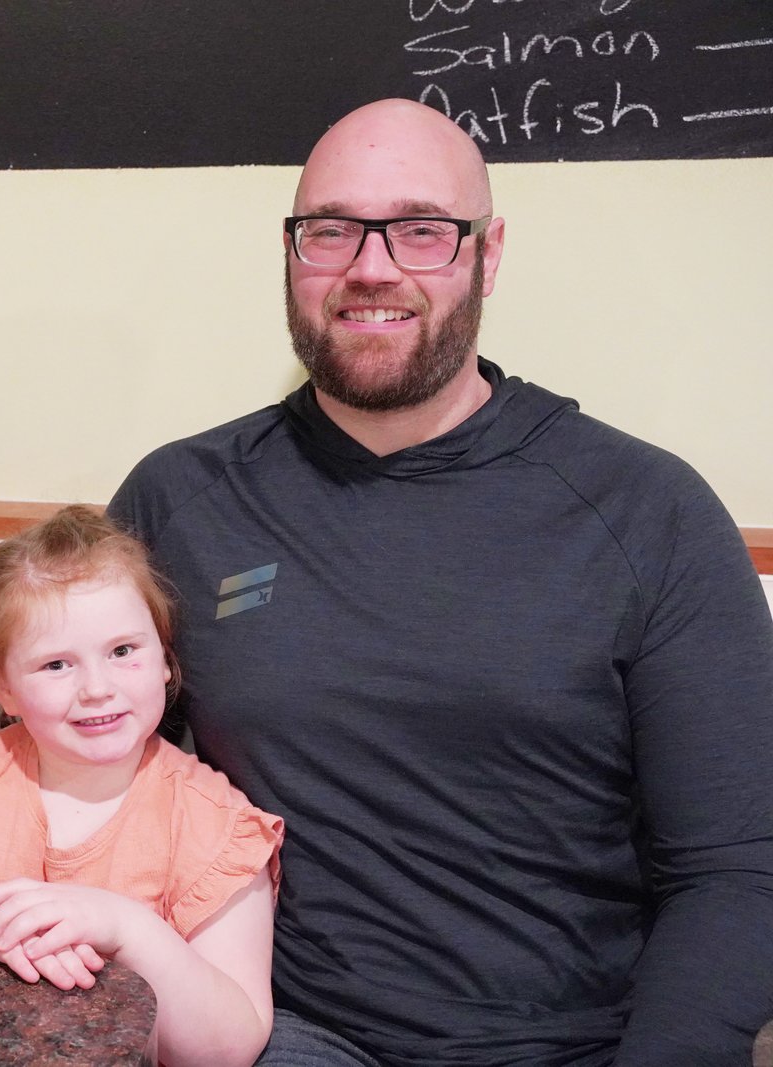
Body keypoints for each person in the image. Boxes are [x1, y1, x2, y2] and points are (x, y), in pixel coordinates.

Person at [108, 98, 773, 1066]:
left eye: (422, 230)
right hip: (276, 1030)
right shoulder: (181, 496)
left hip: (568, 1042)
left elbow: (736, 867)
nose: (369, 267)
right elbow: (74, 779)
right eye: (330, 231)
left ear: (488, 254)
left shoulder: (646, 510)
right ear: (291, 253)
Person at [0, 506, 282, 1067]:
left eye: (124, 651)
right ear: (1, 685)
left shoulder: (215, 826)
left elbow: (228, 1048)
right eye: (56, 665)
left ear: (164, 659)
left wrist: (126, 928)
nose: (97, 689)